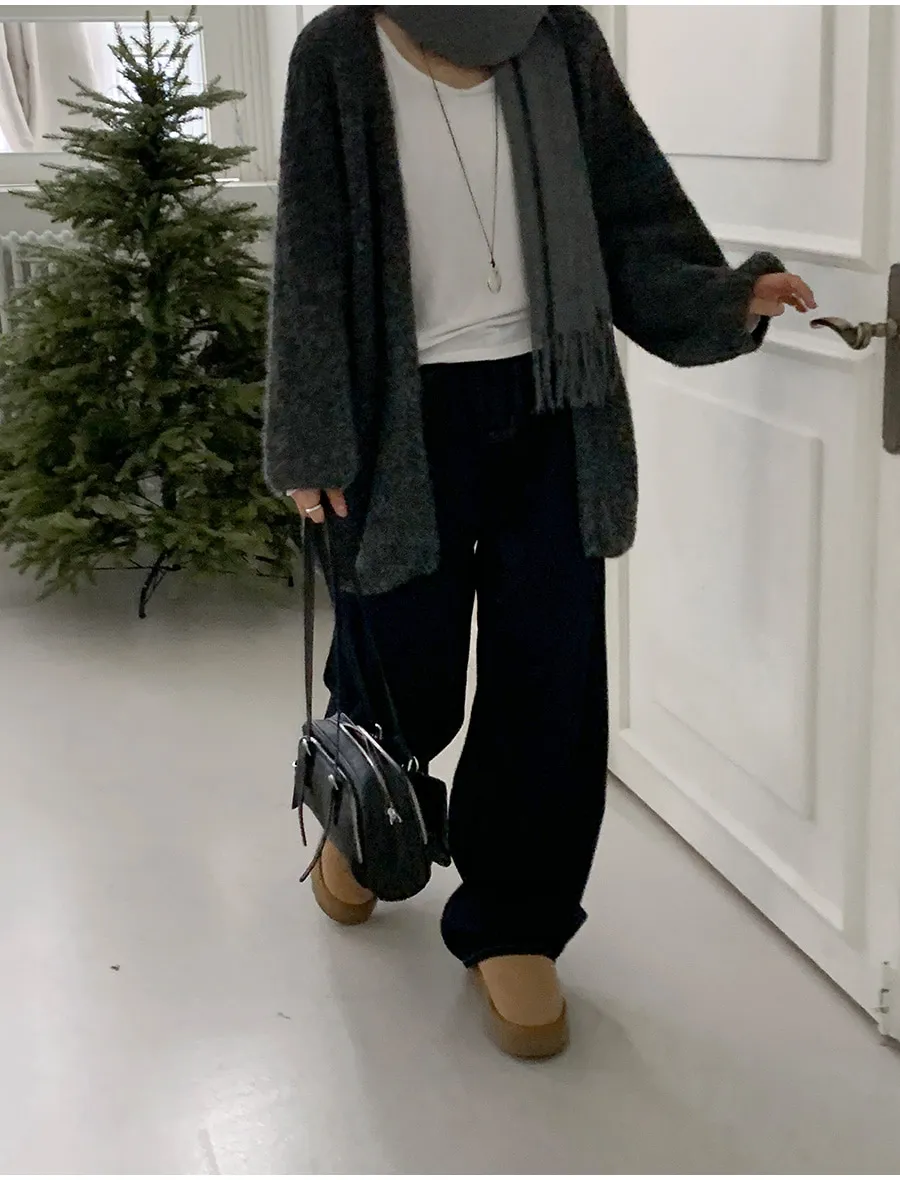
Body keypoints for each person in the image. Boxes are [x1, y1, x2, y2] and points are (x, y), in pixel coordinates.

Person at [264, 6, 816, 1060]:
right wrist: (309, 437)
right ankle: (360, 812)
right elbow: (313, 254)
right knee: (402, 664)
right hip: (399, 419)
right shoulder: (338, 50)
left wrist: (722, 298)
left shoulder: (560, 37)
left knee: (548, 675)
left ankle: (515, 919)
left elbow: (630, 212)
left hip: (556, 406)